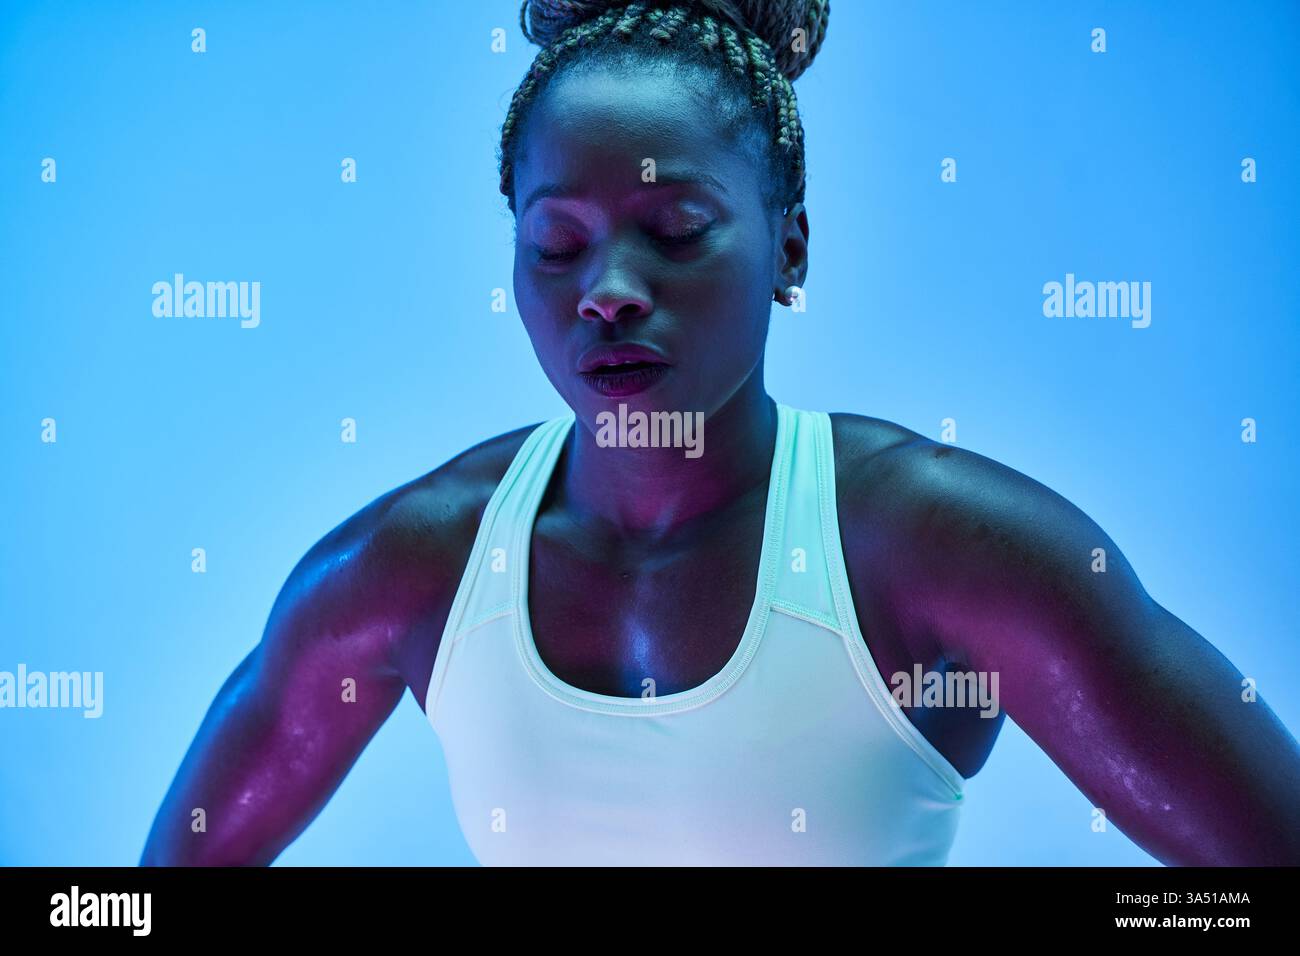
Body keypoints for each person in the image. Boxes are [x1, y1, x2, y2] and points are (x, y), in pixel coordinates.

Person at [140, 0, 1300, 866]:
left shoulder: (948, 549)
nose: (608, 289)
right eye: (556, 242)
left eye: (677, 228)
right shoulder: (420, 564)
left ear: (790, 245)